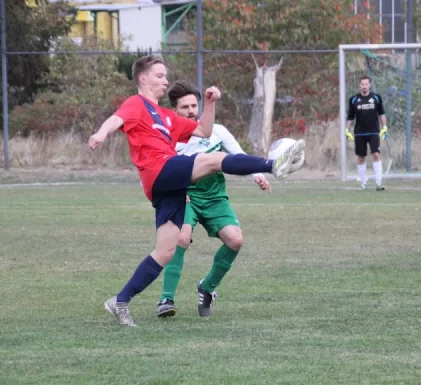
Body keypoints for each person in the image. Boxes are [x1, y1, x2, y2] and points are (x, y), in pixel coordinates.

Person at [88, 55, 305, 327]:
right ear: (143, 79)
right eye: (159, 75)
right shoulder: (136, 104)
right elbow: (115, 120)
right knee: (211, 161)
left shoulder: (167, 116)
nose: (165, 80)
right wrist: (100, 134)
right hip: (158, 170)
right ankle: (275, 165)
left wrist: (211, 103)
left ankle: (120, 301)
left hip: (168, 185)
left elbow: (203, 130)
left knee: (166, 250)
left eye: (166, 76)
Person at [156, 80, 271, 318]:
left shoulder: (217, 131)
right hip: (184, 196)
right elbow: (158, 170)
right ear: (175, 110)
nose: (190, 111)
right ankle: (166, 299)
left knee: (235, 240)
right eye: (184, 107)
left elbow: (238, 155)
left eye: (193, 106)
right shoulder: (168, 136)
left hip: (214, 198)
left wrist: (257, 175)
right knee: (181, 237)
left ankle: (207, 288)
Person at [345, 75, 387, 190]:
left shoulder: (376, 98)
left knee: (376, 154)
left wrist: (385, 127)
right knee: (361, 157)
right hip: (359, 133)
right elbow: (350, 117)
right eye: (362, 84)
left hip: (373, 132)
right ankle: (363, 184)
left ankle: (378, 183)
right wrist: (347, 130)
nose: (364, 86)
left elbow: (381, 113)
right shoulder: (353, 99)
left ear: (369, 85)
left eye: (366, 84)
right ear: (360, 85)